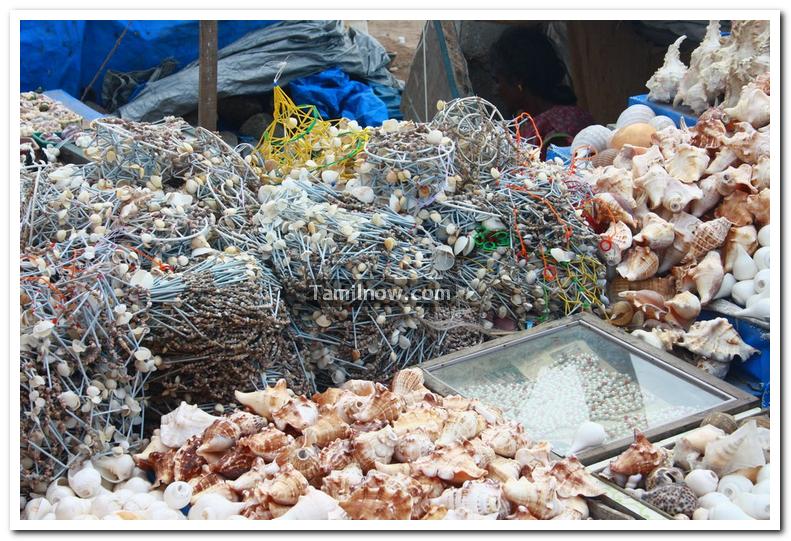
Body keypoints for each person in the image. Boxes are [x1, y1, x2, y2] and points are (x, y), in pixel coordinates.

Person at [489, 26, 594, 157]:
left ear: (517, 80)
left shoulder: (554, 130)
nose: (495, 91)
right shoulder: (567, 115)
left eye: (498, 81)